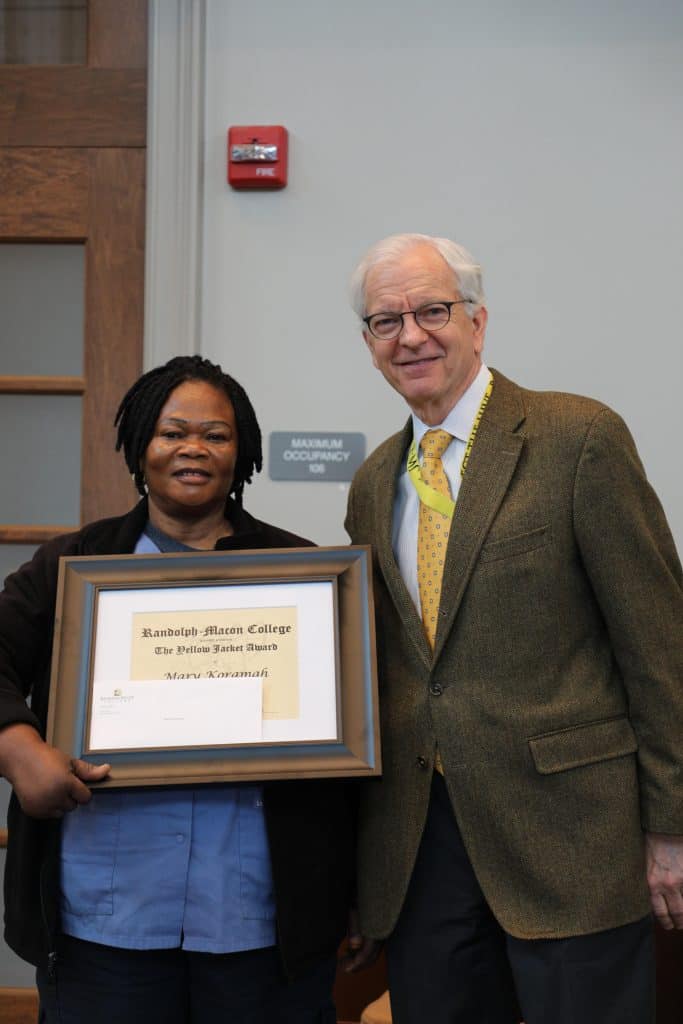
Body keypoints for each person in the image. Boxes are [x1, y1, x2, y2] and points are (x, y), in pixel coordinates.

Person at [342, 233, 683, 1024]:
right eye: (386, 321)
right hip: (421, 855)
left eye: (432, 310)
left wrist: (671, 826)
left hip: (571, 843)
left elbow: (659, 647)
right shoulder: (370, 486)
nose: (411, 335)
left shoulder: (576, 439)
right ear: (368, 346)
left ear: (477, 322)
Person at [0, 355, 355, 1024]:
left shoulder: (305, 577)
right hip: (105, 923)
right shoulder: (71, 565)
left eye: (216, 435)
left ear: (240, 451)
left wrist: (356, 893)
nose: (193, 448)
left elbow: (359, 742)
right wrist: (21, 752)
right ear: (140, 447)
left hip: (261, 927)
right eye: (172, 431)